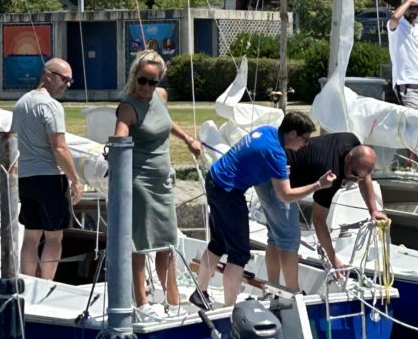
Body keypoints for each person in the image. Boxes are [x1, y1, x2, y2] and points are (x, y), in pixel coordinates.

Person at [192, 112, 336, 310]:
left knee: (218, 243)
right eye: (305, 139)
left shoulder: (267, 131)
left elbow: (256, 159)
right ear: (293, 134)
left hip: (215, 179)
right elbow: (285, 195)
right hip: (228, 193)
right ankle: (229, 310)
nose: (306, 144)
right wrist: (318, 185)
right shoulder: (276, 153)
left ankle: (200, 292)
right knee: (239, 255)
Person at [113, 50, 202, 322]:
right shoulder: (128, 106)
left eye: (154, 82)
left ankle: (172, 300)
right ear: (134, 77)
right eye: (143, 81)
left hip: (163, 181)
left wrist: (187, 138)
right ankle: (142, 301)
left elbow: (166, 121)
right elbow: (120, 136)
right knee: (141, 243)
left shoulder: (159, 97)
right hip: (139, 182)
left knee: (167, 242)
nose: (147, 88)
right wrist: (115, 147)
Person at [255, 132, 388, 288]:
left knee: (275, 237)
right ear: (348, 158)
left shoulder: (352, 142)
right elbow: (318, 221)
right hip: (274, 178)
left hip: (270, 166)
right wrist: (334, 260)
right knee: (289, 239)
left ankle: (273, 288)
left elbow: (364, 176)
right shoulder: (331, 173)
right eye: (353, 175)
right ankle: (292, 294)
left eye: (360, 177)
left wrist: (373, 210)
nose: (354, 180)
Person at [11, 58, 83, 281]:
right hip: (50, 178)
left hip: (27, 178)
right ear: (47, 75)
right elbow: (59, 148)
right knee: (54, 238)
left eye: (70, 81)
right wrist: (75, 180)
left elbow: (14, 141)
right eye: (64, 79)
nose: (66, 85)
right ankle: (45, 284)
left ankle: (27, 282)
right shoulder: (51, 106)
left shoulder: (21, 103)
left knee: (31, 236)